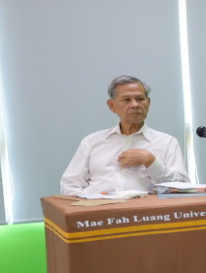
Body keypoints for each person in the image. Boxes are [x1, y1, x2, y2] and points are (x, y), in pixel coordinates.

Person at [60, 75, 189, 196]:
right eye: (127, 100)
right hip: (96, 208)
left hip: (143, 209)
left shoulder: (167, 142)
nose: (135, 105)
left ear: (148, 103)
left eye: (140, 99)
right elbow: (70, 184)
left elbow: (182, 187)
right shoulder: (92, 141)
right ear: (112, 105)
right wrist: (86, 205)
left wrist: (151, 162)